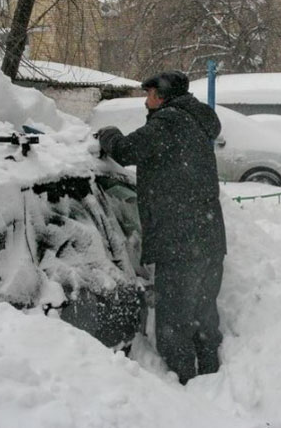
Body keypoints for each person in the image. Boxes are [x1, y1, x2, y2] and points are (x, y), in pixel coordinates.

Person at [97, 71, 227, 385]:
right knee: (203, 317)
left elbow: (126, 150)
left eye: (151, 94)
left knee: (174, 325)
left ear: (164, 95)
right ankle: (211, 380)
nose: (146, 100)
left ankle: (185, 393)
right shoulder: (195, 121)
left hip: (180, 243)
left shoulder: (169, 122)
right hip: (208, 240)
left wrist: (108, 134)